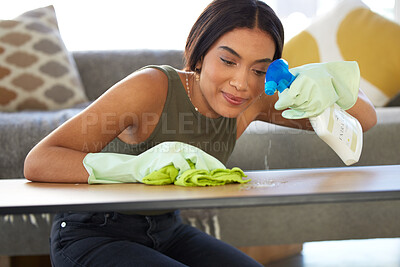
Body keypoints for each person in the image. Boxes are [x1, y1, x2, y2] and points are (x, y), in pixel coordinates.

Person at [24, 0, 377, 266]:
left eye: (259, 69)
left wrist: (331, 84)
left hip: (167, 230)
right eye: (228, 61)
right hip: (93, 232)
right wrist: (134, 169)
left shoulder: (253, 99)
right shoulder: (150, 87)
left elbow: (364, 119)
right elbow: (40, 161)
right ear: (200, 52)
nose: (241, 83)